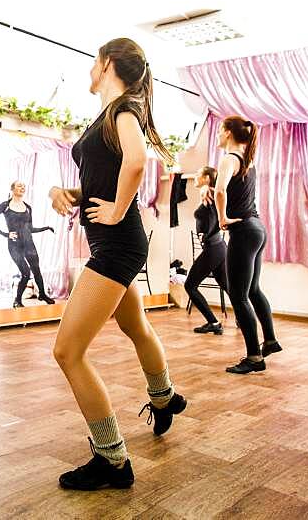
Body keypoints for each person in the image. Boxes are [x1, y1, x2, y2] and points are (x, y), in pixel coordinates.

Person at [48, 38, 186, 491]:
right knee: (137, 327)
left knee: (67, 352)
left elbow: (137, 160)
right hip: (117, 243)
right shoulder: (114, 113)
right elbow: (112, 170)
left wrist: (116, 207)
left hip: (117, 246)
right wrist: (70, 196)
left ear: (106, 64)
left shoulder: (123, 109)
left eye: (93, 61)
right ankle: (164, 397)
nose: (90, 69)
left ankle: (112, 460)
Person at [214, 116, 281, 373]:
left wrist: (222, 218)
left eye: (221, 131)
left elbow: (221, 190)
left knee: (238, 294)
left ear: (229, 132)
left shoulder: (229, 158)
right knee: (252, 290)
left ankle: (254, 358)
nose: (219, 136)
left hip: (243, 230)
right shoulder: (248, 160)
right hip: (257, 228)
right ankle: (271, 340)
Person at [0, 181, 56, 308]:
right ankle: (17, 300)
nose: (22, 188)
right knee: (25, 273)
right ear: (12, 189)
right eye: (19, 186)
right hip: (15, 245)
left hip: (29, 243)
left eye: (24, 186)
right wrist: (6, 234)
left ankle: (42, 294)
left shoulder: (28, 207)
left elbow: (30, 228)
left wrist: (46, 228)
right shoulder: (5, 206)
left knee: (37, 270)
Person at [185, 166, 228, 334]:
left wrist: (205, 235)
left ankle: (214, 323)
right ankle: (245, 317)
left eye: (198, 174)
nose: (195, 176)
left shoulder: (209, 194)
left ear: (207, 178)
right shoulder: (209, 193)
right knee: (226, 285)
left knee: (190, 285)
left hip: (213, 247)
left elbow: (213, 218)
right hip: (218, 247)